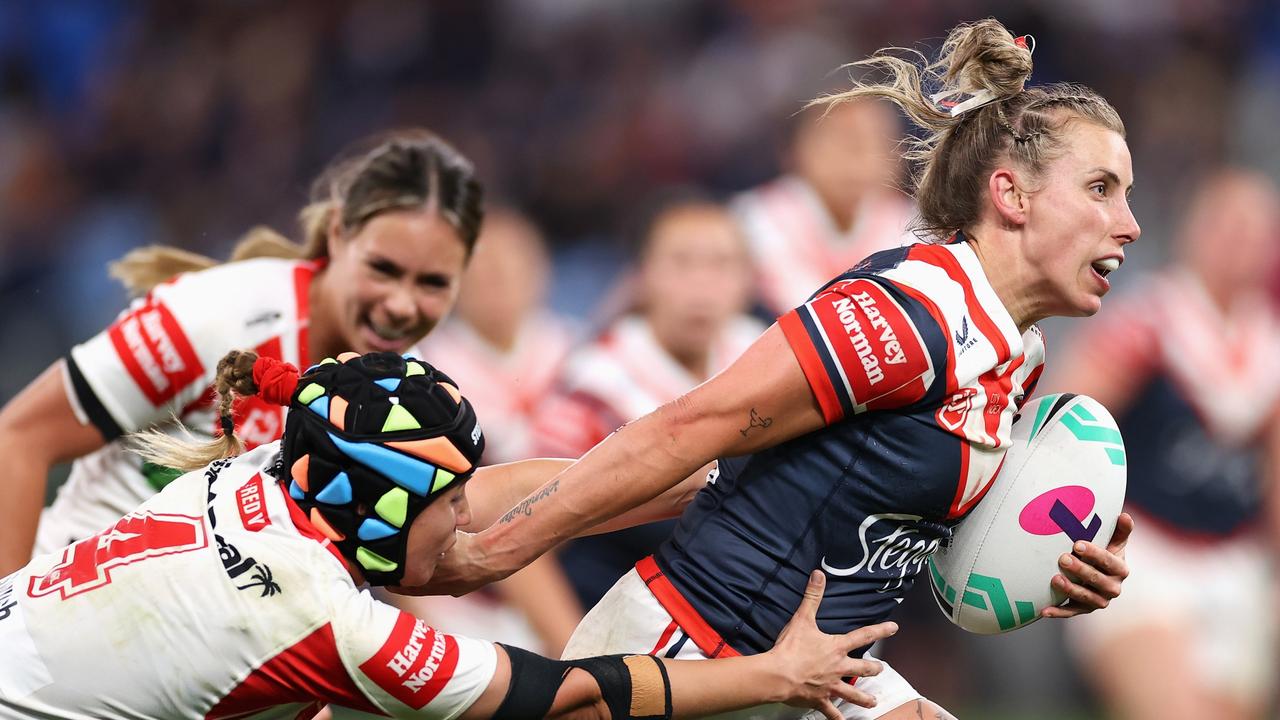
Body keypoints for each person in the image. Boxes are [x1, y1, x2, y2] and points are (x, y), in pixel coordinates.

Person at [426, 20, 1136, 719]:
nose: (1128, 223)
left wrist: (1048, 553)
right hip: (693, 652)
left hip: (822, 673)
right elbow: (691, 427)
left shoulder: (1018, 350)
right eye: (1102, 188)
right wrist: (493, 555)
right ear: (1011, 196)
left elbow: (888, 507)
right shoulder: (908, 319)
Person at [0, 349, 897, 719]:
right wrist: (780, 673)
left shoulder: (272, 473)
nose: (468, 512)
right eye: (449, 498)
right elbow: (573, 692)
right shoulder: (329, 623)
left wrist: (701, 480)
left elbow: (504, 497)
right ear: (387, 507)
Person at [0, 129, 483, 575]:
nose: (401, 305)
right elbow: (19, 439)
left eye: (433, 283)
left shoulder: (409, 390)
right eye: (383, 269)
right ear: (338, 234)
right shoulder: (215, 316)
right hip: (78, 618)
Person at [1053, 169, 1280, 720]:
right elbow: (1065, 417)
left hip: (1233, 561)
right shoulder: (1149, 320)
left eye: (1257, 230)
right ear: (1195, 230)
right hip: (1142, 548)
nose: (1241, 243)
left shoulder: (1269, 341)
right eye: (1229, 224)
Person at [533, 194, 763, 608]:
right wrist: (565, 660)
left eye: (721, 264)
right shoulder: (594, 385)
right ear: (641, 275)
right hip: (613, 622)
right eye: (681, 262)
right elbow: (534, 539)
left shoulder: (768, 357)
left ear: (749, 279)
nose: (702, 285)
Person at [411, 207, 584, 656]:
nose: (498, 279)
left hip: (583, 562)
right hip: (465, 593)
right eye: (481, 267)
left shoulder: (581, 355)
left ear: (542, 270)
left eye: (513, 263)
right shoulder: (424, 374)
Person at [731, 98, 913, 317]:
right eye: (842, 141)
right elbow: (805, 311)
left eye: (874, 141)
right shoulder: (754, 218)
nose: (858, 158)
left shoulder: (912, 224)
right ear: (797, 149)